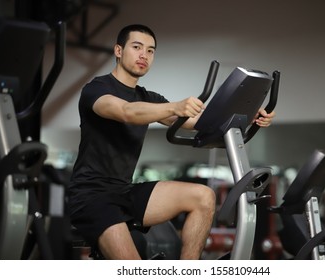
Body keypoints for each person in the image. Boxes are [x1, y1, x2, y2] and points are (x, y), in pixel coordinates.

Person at [68, 24, 276, 260]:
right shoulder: (96, 89)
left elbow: (202, 120)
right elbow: (126, 112)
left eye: (150, 50)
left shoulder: (148, 98)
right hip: (92, 197)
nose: (143, 55)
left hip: (125, 192)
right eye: (137, 47)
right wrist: (174, 106)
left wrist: (250, 117)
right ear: (118, 50)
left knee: (204, 197)